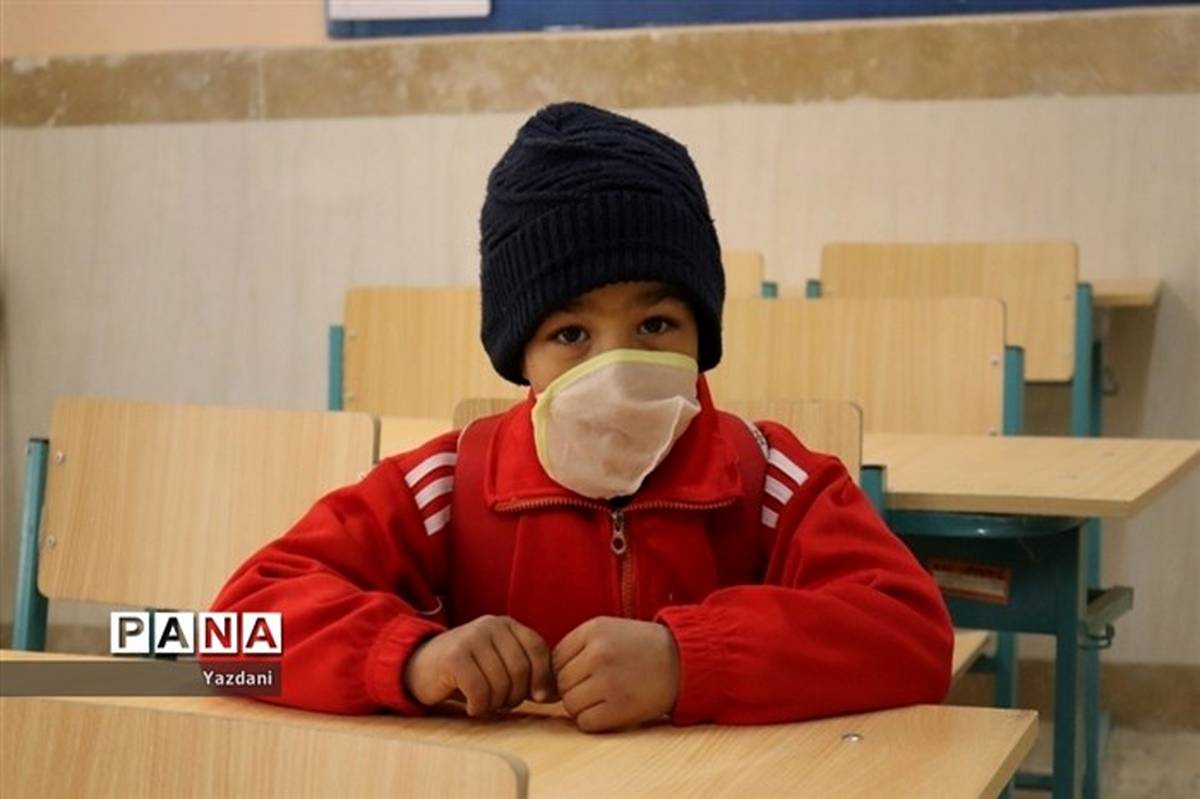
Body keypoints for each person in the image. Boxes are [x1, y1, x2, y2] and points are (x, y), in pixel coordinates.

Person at [211, 101, 953, 733]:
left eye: (656, 324)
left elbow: (914, 636)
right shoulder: (445, 490)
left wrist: (691, 661)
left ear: (703, 333)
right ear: (520, 356)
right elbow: (216, 642)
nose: (617, 365)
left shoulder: (771, 482)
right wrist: (409, 658)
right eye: (570, 334)